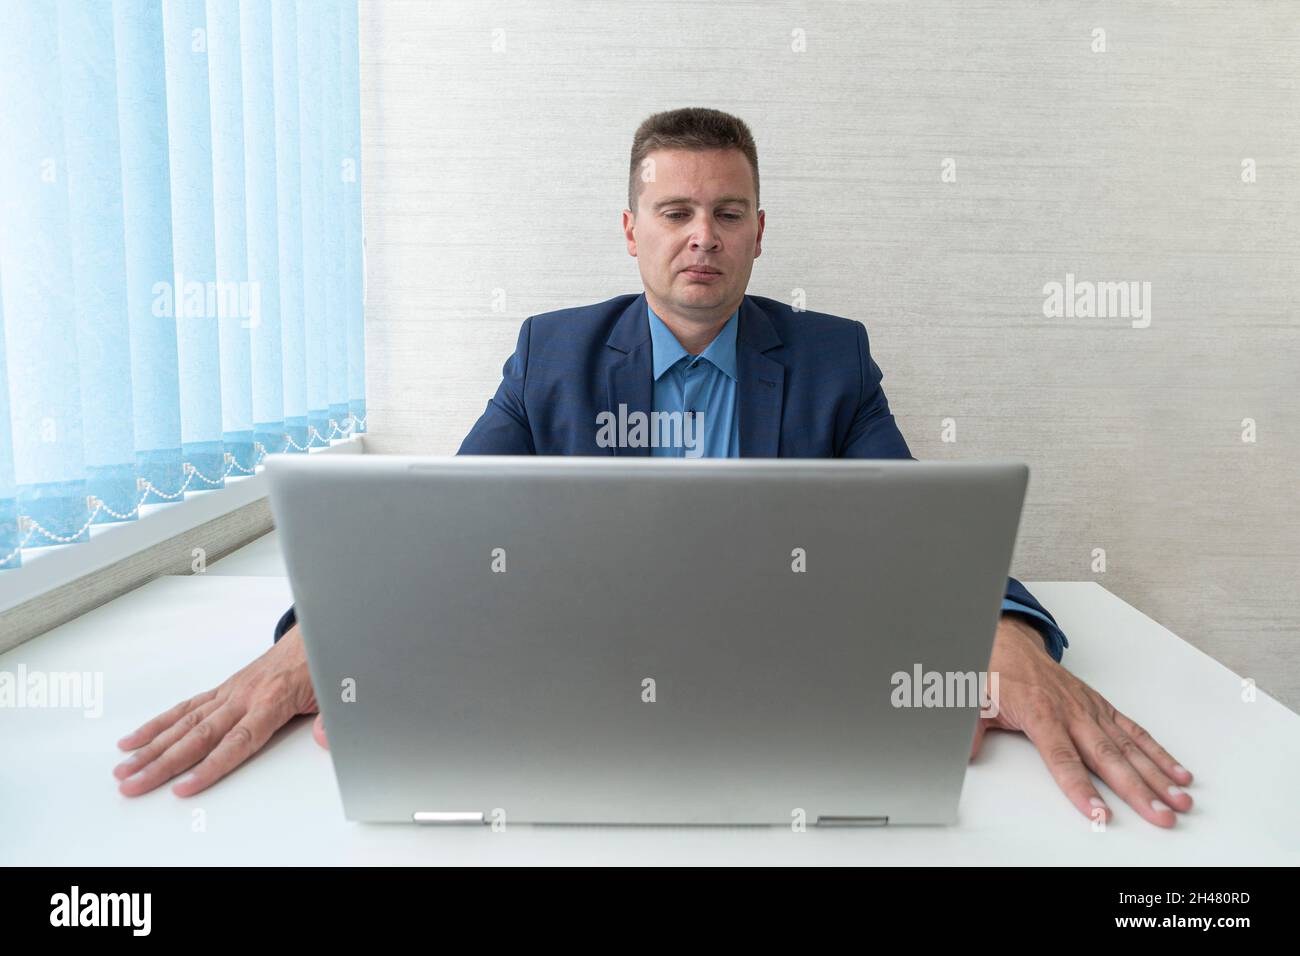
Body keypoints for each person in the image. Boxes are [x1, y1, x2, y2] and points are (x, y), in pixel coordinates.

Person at [114, 107, 1193, 828]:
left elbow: (925, 534)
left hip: (782, 697)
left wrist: (1003, 631)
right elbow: (440, 526)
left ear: (759, 234)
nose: (701, 237)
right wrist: (321, 639)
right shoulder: (551, 352)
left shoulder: (829, 357)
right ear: (631, 230)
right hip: (578, 695)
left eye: (727, 214)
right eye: (675, 213)